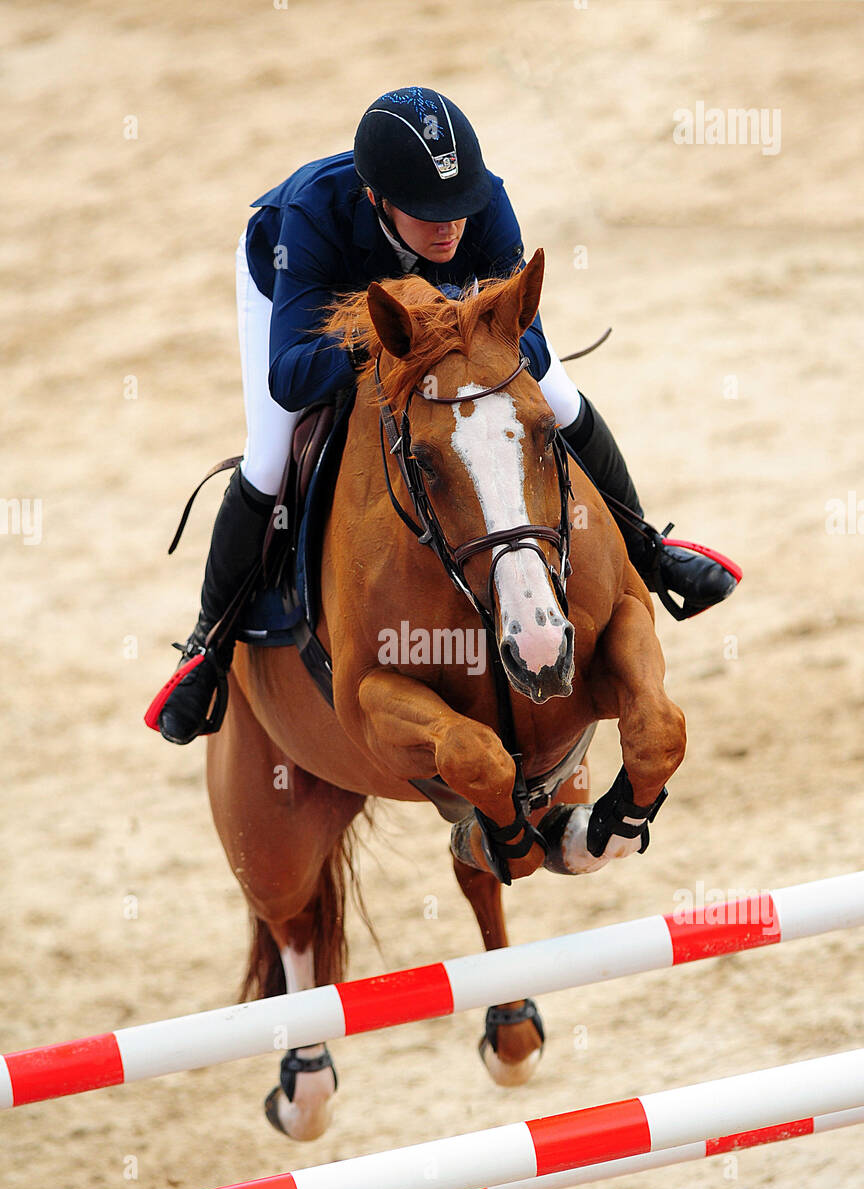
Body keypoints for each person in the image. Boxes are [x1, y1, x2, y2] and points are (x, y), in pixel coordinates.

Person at [155, 86, 737, 745]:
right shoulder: (311, 218)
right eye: (428, 213)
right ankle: (209, 645)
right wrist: (390, 342)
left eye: (456, 209)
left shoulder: (483, 202)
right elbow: (289, 376)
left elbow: (532, 342)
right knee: (267, 459)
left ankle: (650, 551)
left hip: (445, 328)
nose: (449, 228)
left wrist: (465, 340)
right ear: (376, 199)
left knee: (561, 398)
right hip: (304, 298)